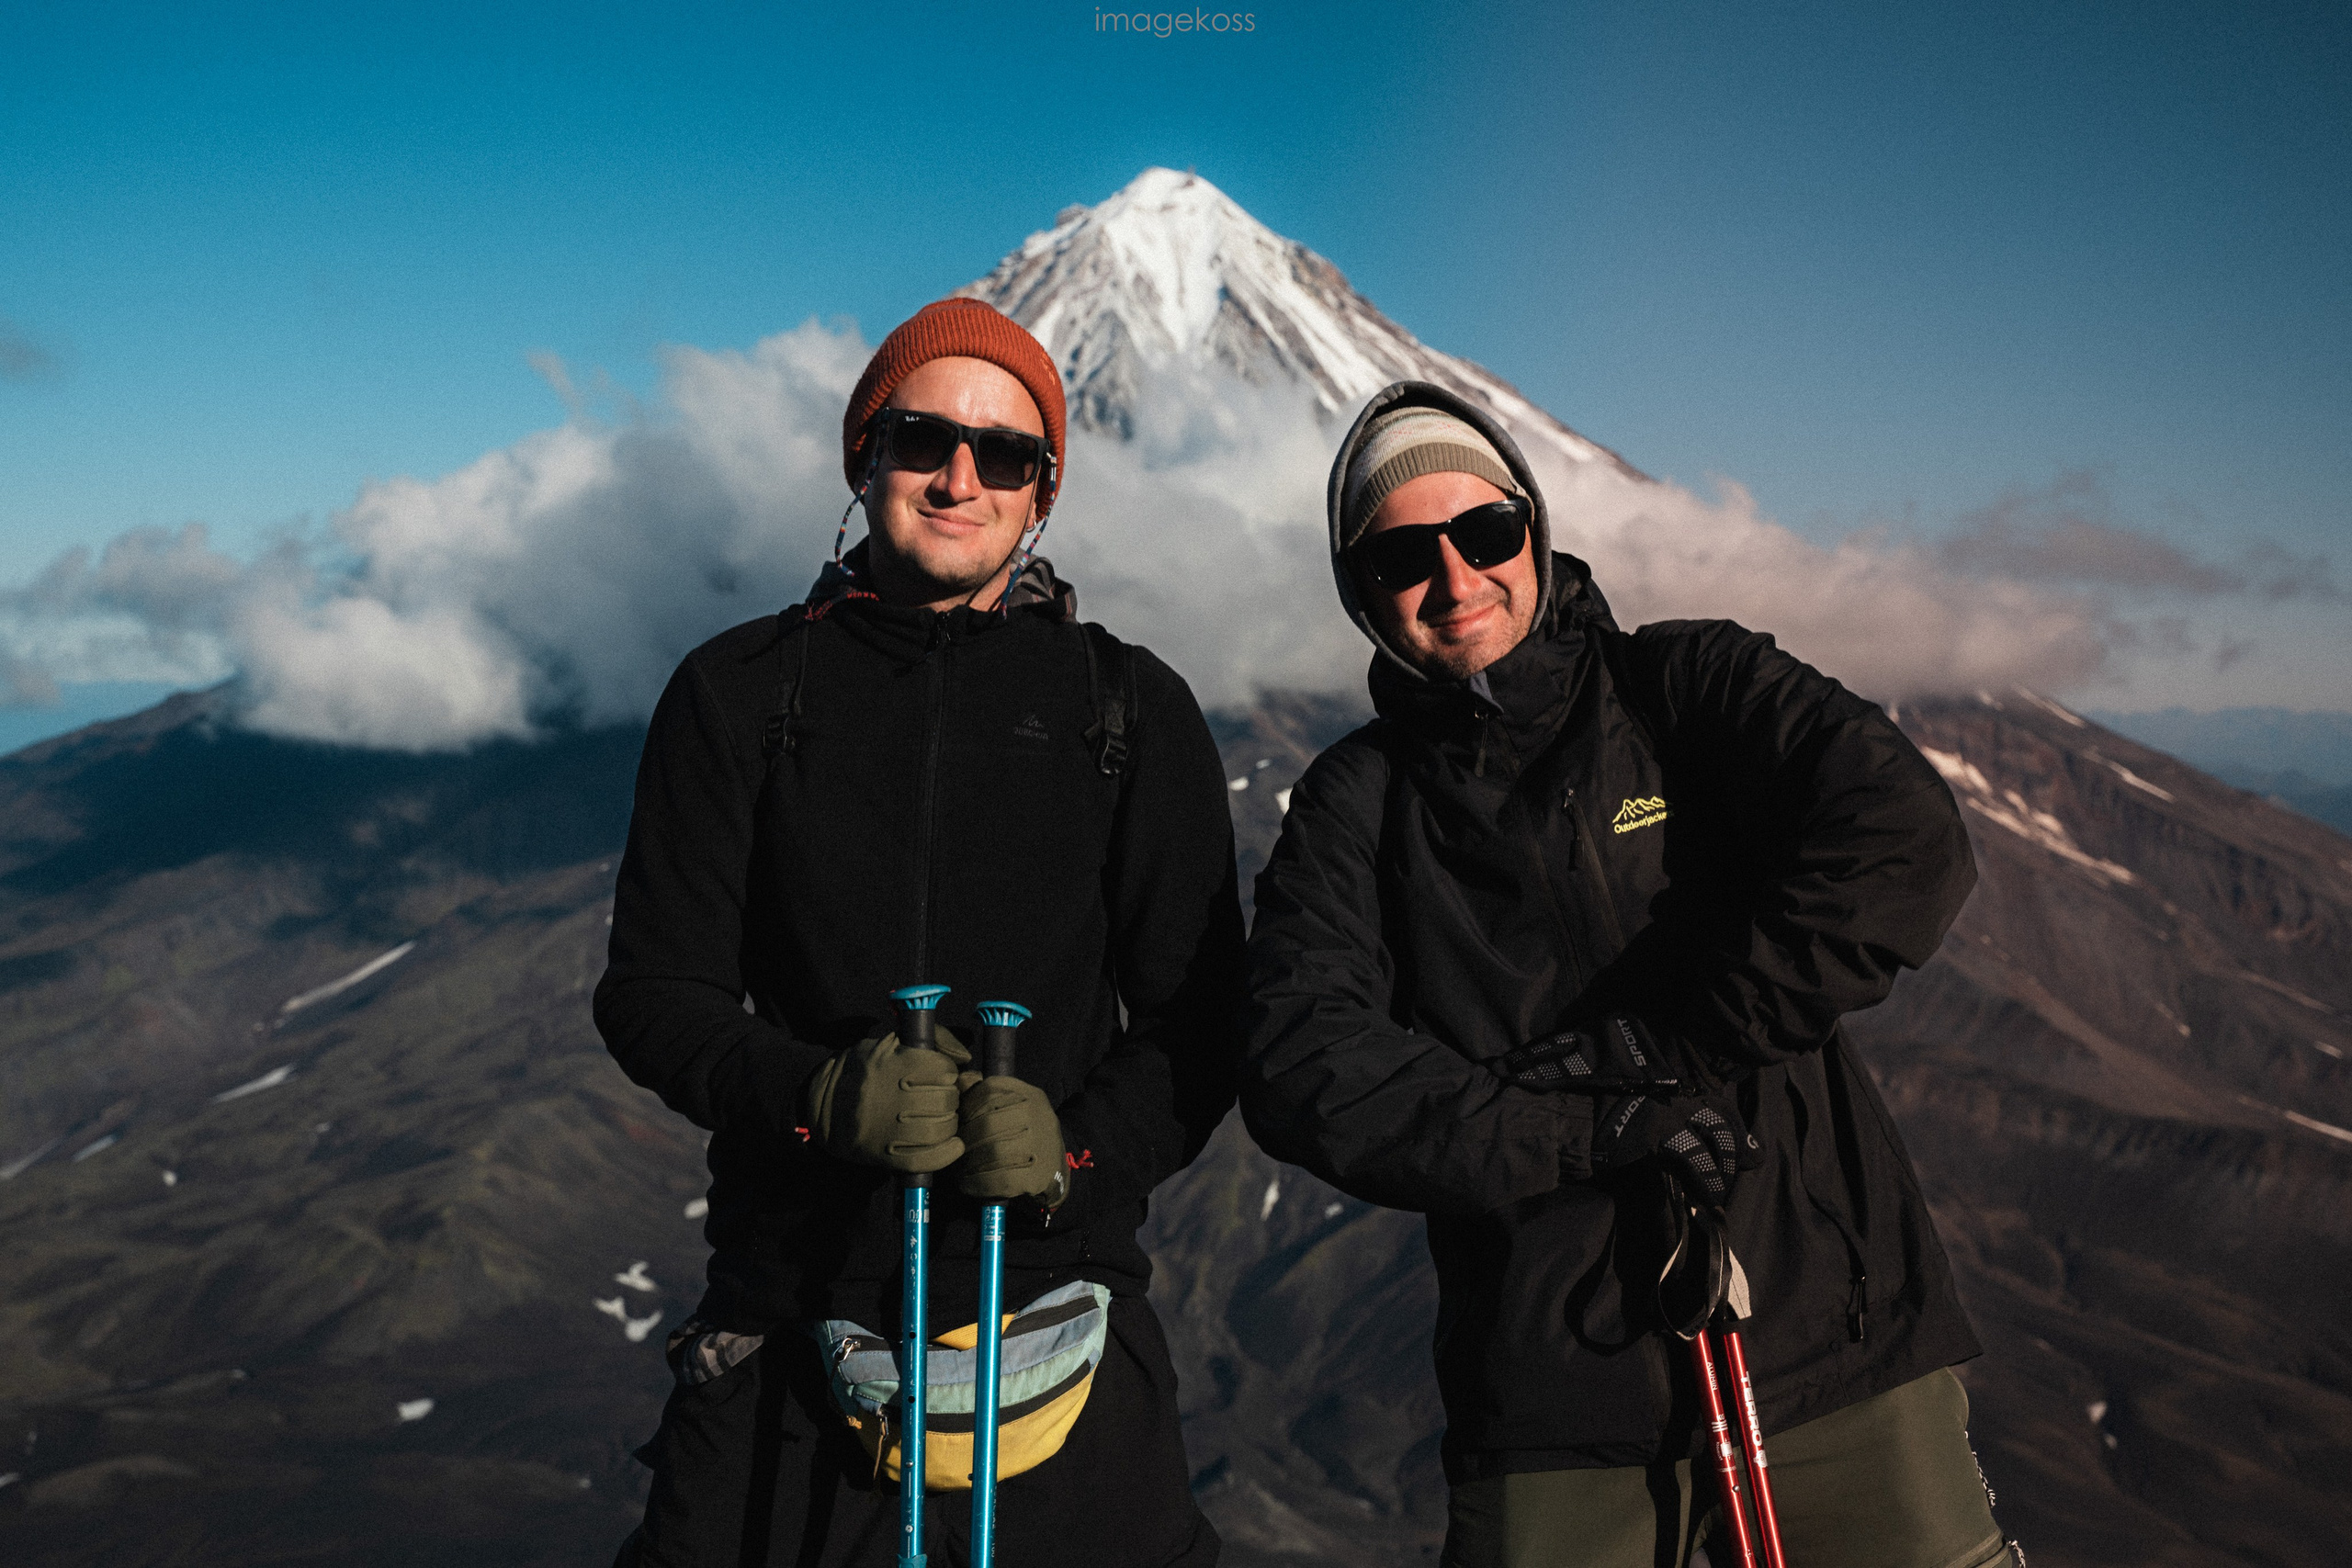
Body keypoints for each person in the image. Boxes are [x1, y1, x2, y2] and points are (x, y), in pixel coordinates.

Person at [1238, 380, 2019, 1568]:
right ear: (1362, 594)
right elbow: (1301, 1063)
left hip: (1824, 1328)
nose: (1456, 579)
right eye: (1404, 558)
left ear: (1536, 533)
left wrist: (1669, 1049)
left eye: (1487, 533)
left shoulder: (1686, 688)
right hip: (1555, 1388)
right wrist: (1584, 1130)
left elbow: (1904, 837)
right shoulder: (1362, 801)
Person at [594, 298, 1243, 1568]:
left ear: (1043, 489)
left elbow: (1207, 1022)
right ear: (863, 458)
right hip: (791, 1321)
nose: (961, 477)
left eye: (1006, 454)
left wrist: (1076, 1153)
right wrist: (816, 1097)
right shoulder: (738, 693)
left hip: (1060, 1313)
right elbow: (654, 991)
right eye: (922, 439)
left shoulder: (1129, 710)